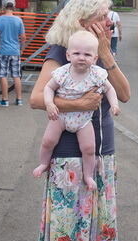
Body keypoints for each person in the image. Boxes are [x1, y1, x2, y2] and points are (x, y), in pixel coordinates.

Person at [30, 0, 130, 241]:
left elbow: (124, 94)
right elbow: (36, 98)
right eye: (103, 16)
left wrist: (106, 53)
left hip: (100, 154)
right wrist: (77, 103)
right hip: (68, 157)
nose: (108, 22)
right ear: (83, 20)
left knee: (87, 231)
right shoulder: (63, 52)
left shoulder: (97, 53)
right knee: (64, 232)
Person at [34, 30, 121, 190]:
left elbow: (109, 89)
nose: (81, 57)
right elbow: (48, 88)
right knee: (48, 141)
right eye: (77, 53)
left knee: (89, 149)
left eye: (87, 55)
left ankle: (88, 175)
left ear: (95, 58)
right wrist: (50, 104)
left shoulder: (97, 74)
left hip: (83, 120)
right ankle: (43, 163)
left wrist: (114, 105)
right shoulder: (63, 73)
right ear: (68, 55)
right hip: (61, 116)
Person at [0, 0, 25, 106]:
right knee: (16, 76)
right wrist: (21, 49)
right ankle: (19, 100)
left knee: (3, 75)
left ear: (4, 7)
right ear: (14, 7)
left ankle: (5, 100)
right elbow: (23, 37)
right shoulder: (18, 20)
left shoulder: (0, 19)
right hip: (15, 51)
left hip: (3, 51)